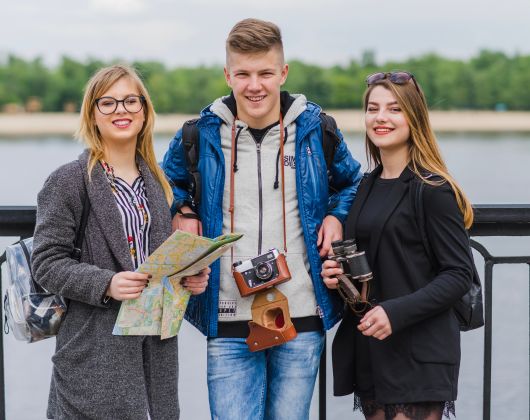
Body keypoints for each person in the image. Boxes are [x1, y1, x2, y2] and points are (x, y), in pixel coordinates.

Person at [162, 18, 362, 420]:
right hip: (226, 314)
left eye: (265, 73)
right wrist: (182, 211)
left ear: (283, 73)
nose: (255, 85)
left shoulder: (316, 130)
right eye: (243, 74)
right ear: (227, 75)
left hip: (302, 315)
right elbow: (166, 183)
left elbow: (353, 182)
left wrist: (337, 216)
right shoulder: (198, 134)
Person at [31, 64, 209, 420]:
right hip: (95, 353)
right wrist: (106, 283)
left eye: (131, 100)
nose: (121, 110)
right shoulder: (68, 181)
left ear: (144, 110)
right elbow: (46, 263)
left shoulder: (157, 182)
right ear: (92, 114)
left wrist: (188, 278)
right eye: (107, 103)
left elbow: (156, 261)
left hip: (155, 353)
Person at [322, 71, 475, 420]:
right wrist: (337, 277)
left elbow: (458, 274)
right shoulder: (366, 185)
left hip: (419, 350)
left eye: (394, 109)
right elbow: (373, 263)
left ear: (414, 117)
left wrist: (395, 312)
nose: (381, 118)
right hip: (372, 349)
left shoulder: (432, 188)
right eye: (373, 108)